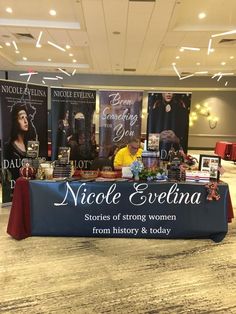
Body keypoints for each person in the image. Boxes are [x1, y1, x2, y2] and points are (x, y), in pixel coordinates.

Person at [4, 104, 32, 180]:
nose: (26, 121)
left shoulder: (31, 144)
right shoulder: (9, 147)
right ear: (16, 121)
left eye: (26, 118)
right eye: (22, 118)